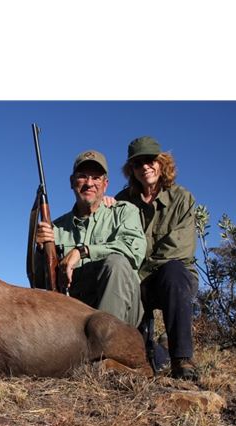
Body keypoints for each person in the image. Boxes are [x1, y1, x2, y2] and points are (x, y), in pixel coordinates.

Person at [114, 136, 199, 380]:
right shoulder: (122, 201)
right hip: (136, 280)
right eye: (137, 163)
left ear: (162, 163)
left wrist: (137, 276)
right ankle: (155, 351)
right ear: (131, 169)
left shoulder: (182, 198)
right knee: (144, 356)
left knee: (174, 272)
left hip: (169, 278)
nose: (145, 167)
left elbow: (179, 249)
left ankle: (182, 359)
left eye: (150, 160)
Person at [35, 149, 147, 328]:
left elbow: (134, 252)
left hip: (124, 312)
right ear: (72, 182)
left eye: (96, 178)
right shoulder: (55, 229)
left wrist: (83, 251)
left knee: (116, 263)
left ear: (105, 184)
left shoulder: (124, 212)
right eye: (82, 176)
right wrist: (41, 251)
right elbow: (40, 283)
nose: (89, 183)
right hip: (74, 315)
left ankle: (106, 341)